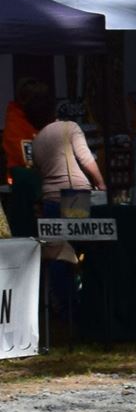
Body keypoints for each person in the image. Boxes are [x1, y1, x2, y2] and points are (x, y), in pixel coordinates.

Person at [32, 91, 104, 343]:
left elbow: (39, 170)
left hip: (50, 199)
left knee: (58, 255)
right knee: (83, 250)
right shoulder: (70, 128)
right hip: (74, 196)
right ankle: (86, 307)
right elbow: (85, 157)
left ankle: (65, 310)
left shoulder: (37, 139)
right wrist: (101, 183)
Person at [5, 78, 47, 172]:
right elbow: (27, 158)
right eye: (37, 99)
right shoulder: (16, 123)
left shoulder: (36, 118)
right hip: (25, 175)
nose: (41, 104)